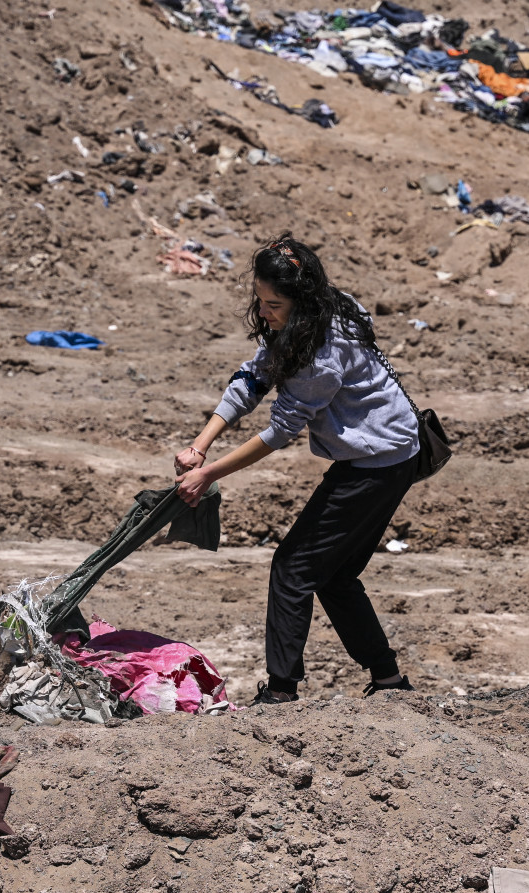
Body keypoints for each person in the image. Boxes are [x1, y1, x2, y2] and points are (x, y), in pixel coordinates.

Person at [175, 236, 420, 705]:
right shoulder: (319, 313)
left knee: (293, 568)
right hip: (387, 452)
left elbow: (279, 431)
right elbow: (256, 374)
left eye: (274, 304)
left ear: (301, 302)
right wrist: (199, 446)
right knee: (334, 575)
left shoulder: (323, 353)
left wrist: (209, 475)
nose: (264, 313)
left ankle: (281, 693)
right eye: (260, 301)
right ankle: (388, 680)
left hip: (377, 464)